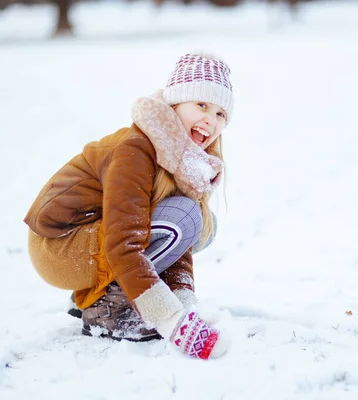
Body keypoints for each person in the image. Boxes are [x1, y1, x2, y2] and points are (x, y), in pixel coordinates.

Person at [24, 52, 234, 360]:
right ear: (176, 103)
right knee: (185, 217)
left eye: (220, 114)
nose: (210, 120)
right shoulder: (136, 148)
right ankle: (108, 309)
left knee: (202, 224)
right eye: (201, 105)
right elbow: (125, 243)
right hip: (58, 246)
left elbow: (181, 249)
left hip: (96, 241)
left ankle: (102, 294)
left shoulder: (183, 159)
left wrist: (185, 303)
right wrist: (171, 320)